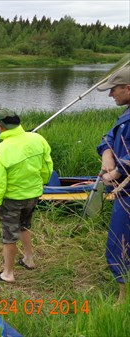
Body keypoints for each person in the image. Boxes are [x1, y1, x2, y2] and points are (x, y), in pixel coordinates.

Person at [0, 109, 53, 283]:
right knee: (24, 226)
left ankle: (7, 274)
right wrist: (40, 184)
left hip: (12, 199)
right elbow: (47, 167)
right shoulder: (37, 139)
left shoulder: (1, 149)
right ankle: (28, 259)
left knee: (9, 235)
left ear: (0, 127)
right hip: (33, 194)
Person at [95, 64, 130, 304]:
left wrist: (119, 171)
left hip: (127, 194)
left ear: (128, 88)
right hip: (122, 192)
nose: (111, 95)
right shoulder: (126, 114)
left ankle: (123, 299)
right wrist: (107, 153)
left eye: (114, 90)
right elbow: (109, 136)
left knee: (120, 243)